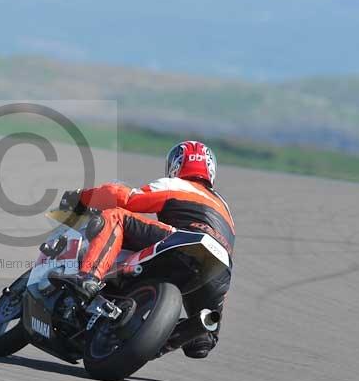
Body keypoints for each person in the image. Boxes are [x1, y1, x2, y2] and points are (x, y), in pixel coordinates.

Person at [59, 141, 235, 359]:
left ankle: (89, 277)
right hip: (220, 265)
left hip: (184, 240)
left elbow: (126, 198)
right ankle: (189, 335)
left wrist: (82, 197)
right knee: (202, 340)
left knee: (115, 216)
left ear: (176, 166)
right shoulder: (224, 207)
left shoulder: (176, 185)